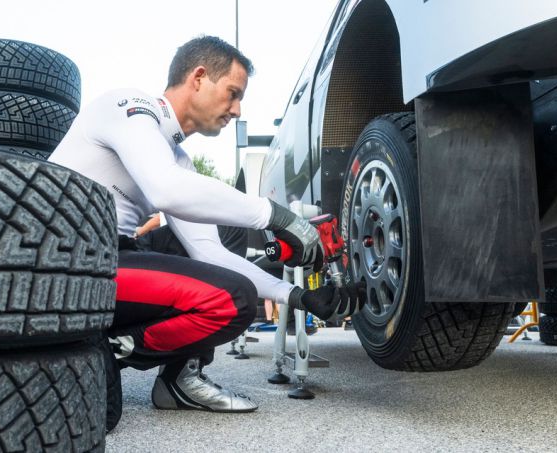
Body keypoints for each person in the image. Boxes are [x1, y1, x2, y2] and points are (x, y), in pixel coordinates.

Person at [48, 35, 366, 431]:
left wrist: (296, 296)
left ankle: (165, 374)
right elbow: (165, 189)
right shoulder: (130, 107)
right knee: (233, 298)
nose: (237, 109)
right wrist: (277, 217)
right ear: (198, 77)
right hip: (67, 260)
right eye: (233, 93)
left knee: (223, 261)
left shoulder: (178, 159)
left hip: (113, 257)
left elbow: (210, 253)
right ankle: (104, 350)